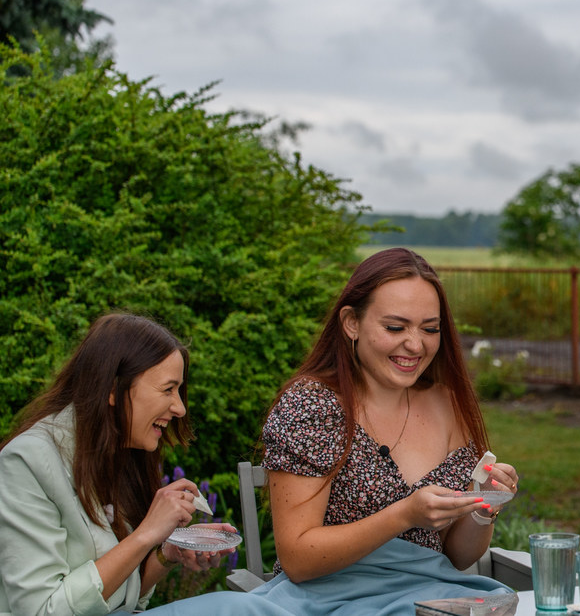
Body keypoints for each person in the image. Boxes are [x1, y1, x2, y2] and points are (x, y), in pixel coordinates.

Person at [167, 248, 517, 615]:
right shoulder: (312, 406)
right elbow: (299, 560)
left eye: (430, 328)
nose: (416, 344)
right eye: (395, 327)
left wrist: (483, 506)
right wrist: (404, 514)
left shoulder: (449, 405)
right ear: (351, 322)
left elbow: (458, 556)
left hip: (430, 597)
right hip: (324, 600)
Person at [0, 313, 236, 615]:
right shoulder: (25, 463)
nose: (180, 408)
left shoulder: (119, 452)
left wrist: (166, 553)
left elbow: (122, 600)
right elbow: (40, 610)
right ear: (113, 389)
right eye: (168, 389)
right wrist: (146, 534)